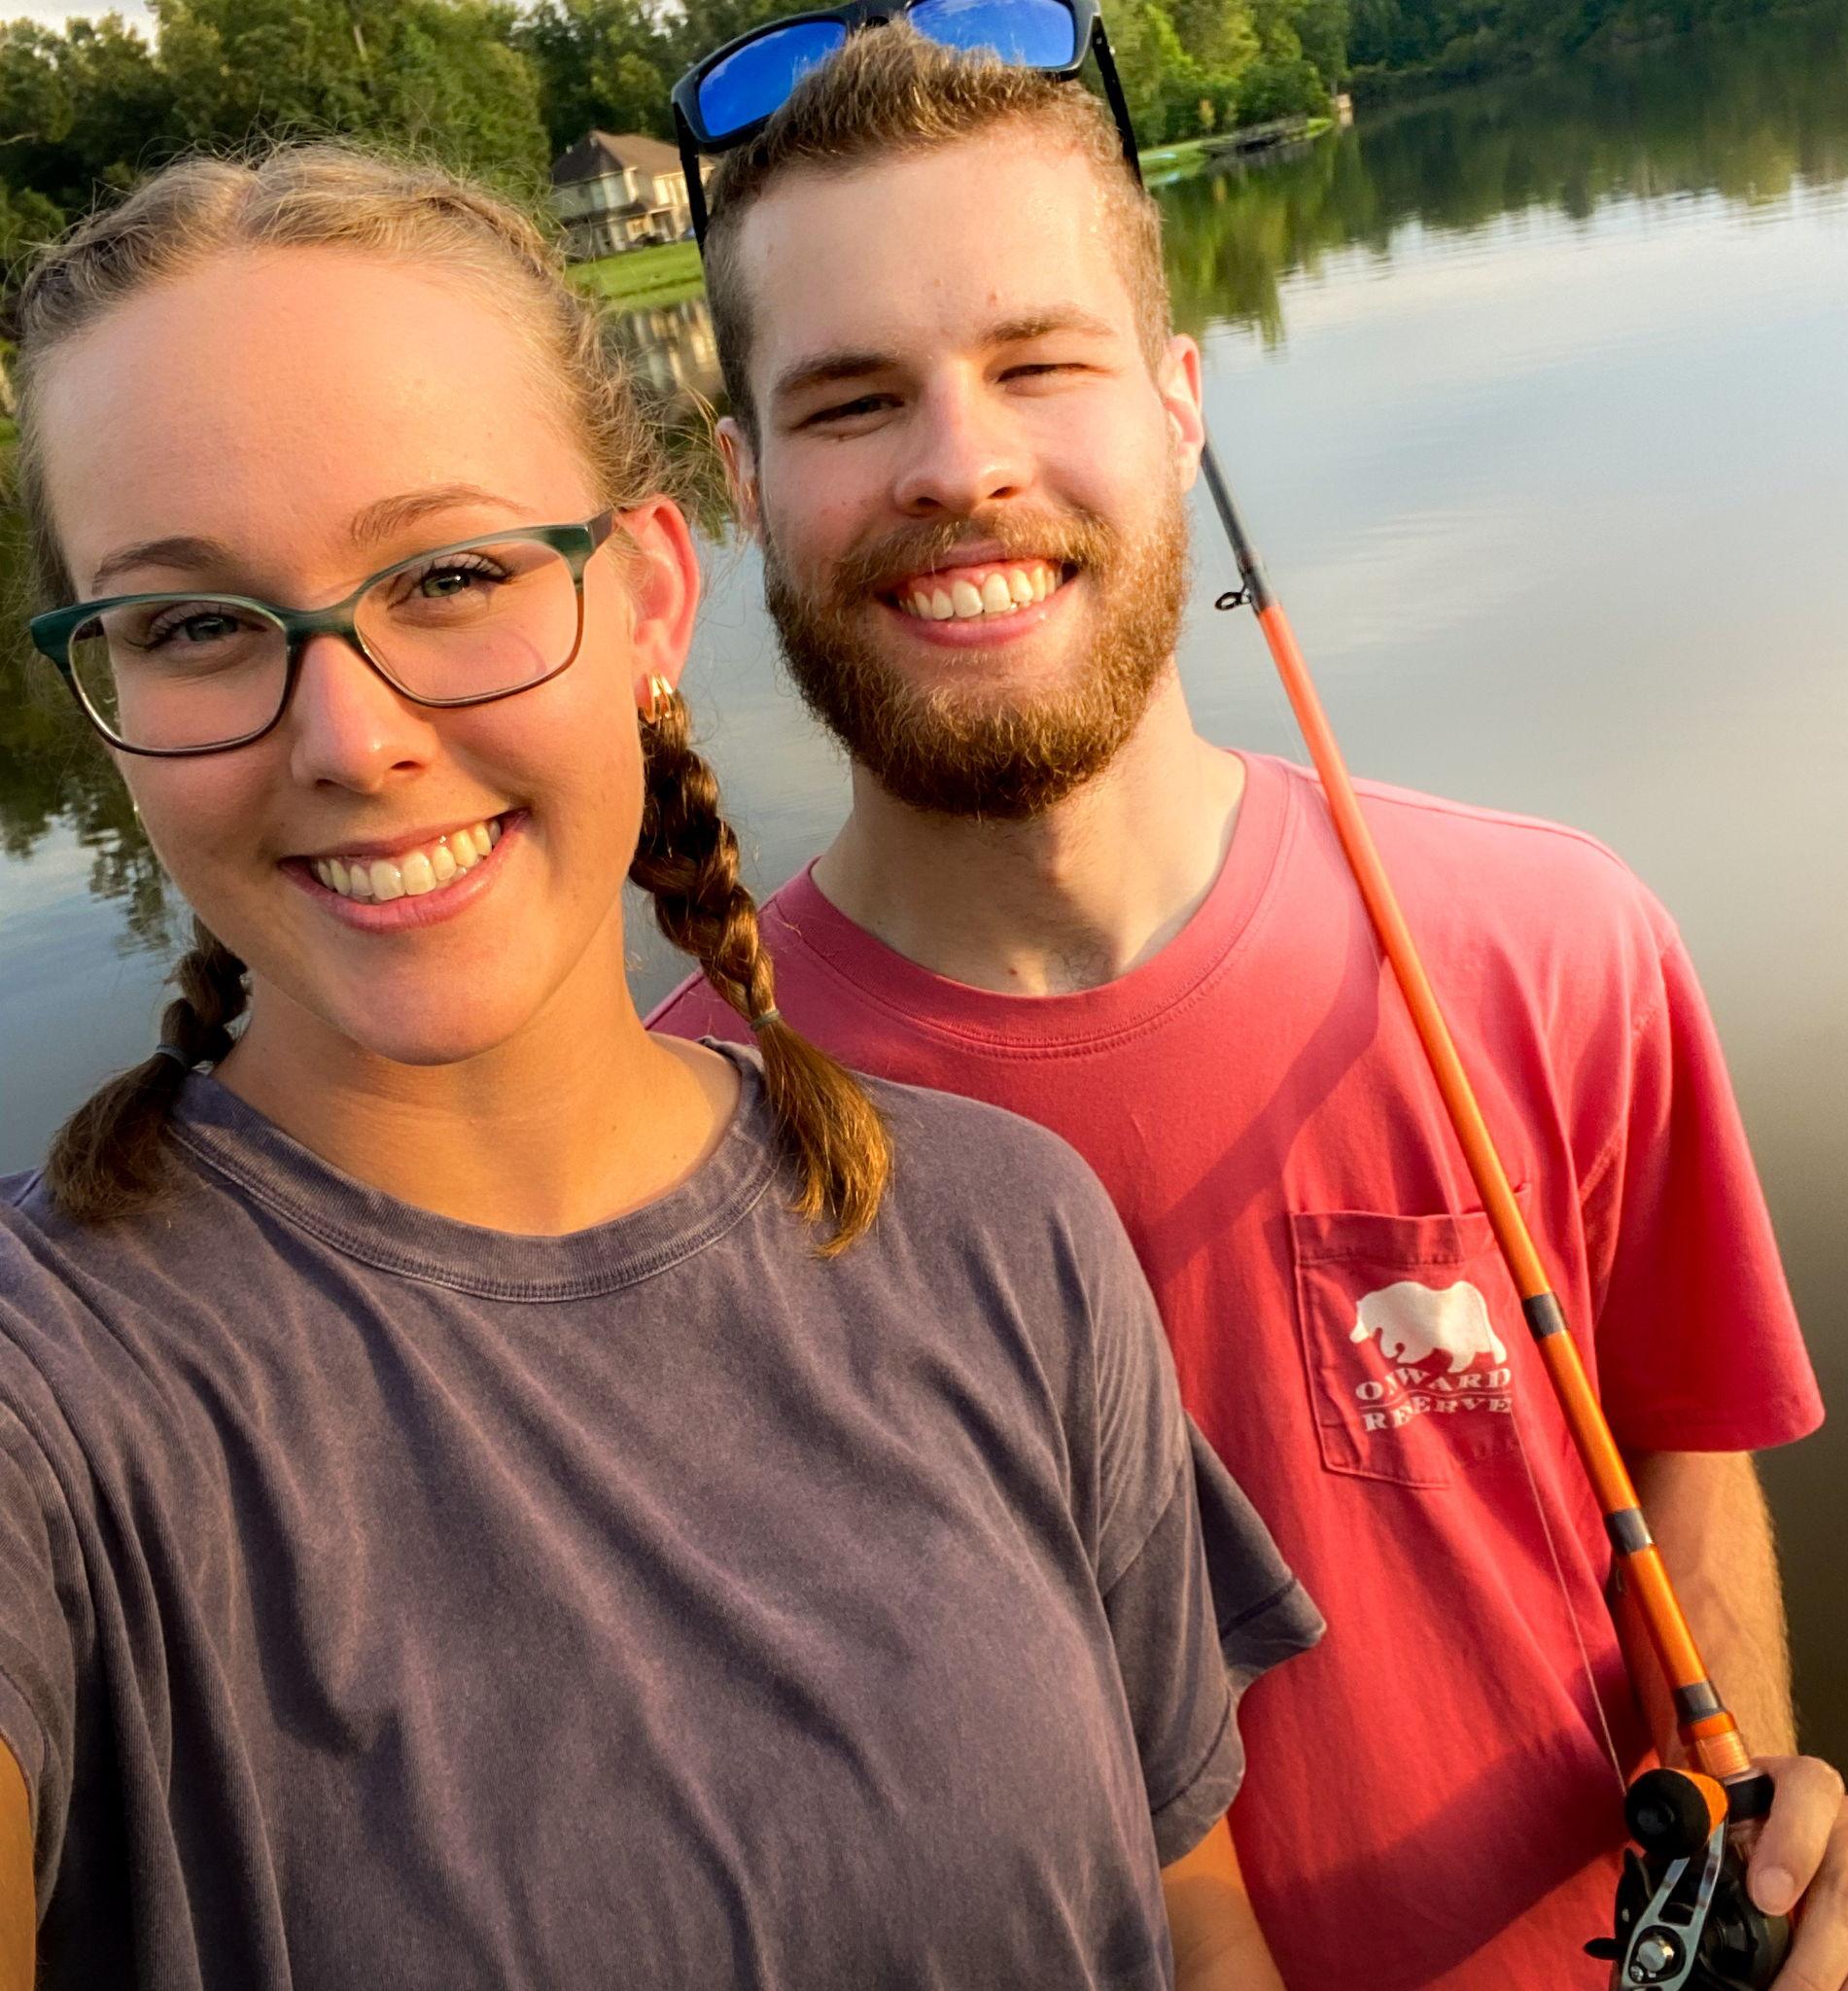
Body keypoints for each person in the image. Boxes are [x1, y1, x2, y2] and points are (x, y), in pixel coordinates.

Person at [649, 25, 1848, 1991]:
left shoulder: (1556, 941)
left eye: (1037, 361)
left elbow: (1682, 1448)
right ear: (742, 480)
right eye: (847, 400)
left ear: (1177, 404)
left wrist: (1761, 1841)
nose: (959, 462)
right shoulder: (638, 1153)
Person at [0, 141, 1324, 1990]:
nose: (351, 737)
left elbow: (1184, 1904)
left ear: (648, 602)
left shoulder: (1006, 1237)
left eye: (450, 573)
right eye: (197, 625)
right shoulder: (50, 1403)